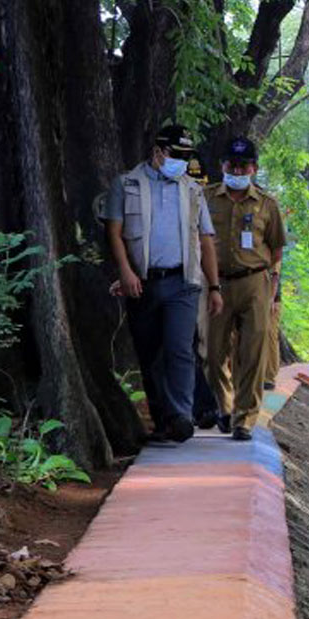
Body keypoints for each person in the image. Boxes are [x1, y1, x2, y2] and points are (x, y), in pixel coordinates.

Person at [105, 124, 223, 442]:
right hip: (143, 282)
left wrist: (214, 286)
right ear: (158, 152)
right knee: (150, 353)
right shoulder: (127, 184)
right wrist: (126, 272)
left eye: (187, 158)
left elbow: (206, 239)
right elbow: (114, 232)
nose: (182, 163)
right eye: (177, 156)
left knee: (180, 349)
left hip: (182, 281)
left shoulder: (192, 189)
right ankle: (163, 420)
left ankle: (181, 415)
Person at [205, 137, 286, 441]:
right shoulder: (206, 198)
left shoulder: (268, 204)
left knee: (253, 353)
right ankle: (224, 409)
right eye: (231, 164)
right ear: (223, 165)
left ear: (254, 168)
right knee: (213, 354)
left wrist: (272, 285)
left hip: (256, 282)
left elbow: (276, 248)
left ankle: (245, 420)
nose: (236, 169)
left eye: (243, 165)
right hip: (217, 284)